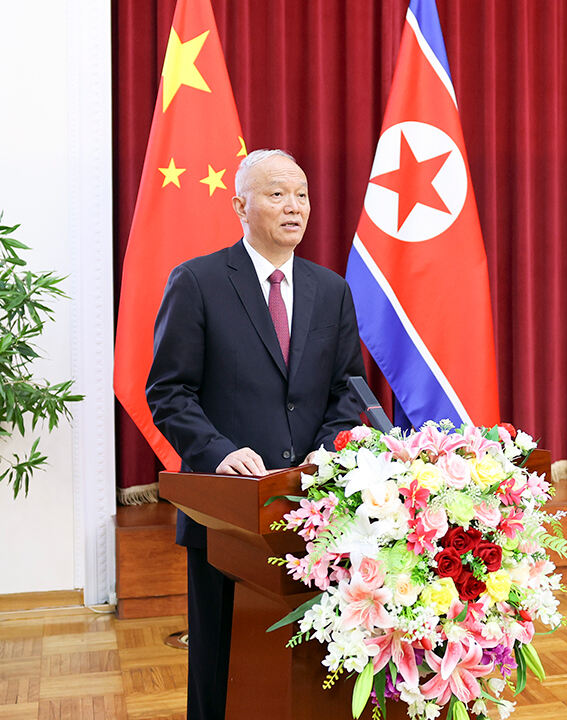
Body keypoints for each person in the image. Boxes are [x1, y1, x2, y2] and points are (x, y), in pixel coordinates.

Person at [146, 148, 366, 720]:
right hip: (228, 512)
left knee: (308, 669)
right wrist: (218, 453)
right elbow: (168, 392)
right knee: (222, 667)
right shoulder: (198, 281)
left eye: (302, 195)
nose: (294, 207)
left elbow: (348, 390)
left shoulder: (331, 289)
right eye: (276, 194)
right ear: (240, 206)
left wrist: (326, 454)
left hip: (316, 507)